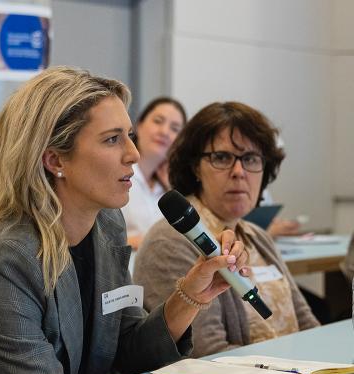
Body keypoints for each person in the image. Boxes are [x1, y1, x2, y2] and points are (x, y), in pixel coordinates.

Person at [0, 68, 248, 374]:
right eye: (112, 139)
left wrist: (191, 296)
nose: (134, 154)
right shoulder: (4, 261)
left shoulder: (106, 226)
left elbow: (129, 351)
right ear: (55, 159)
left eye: (129, 135)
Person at [134, 101, 319, 358]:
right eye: (222, 158)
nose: (239, 172)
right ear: (195, 167)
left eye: (251, 159)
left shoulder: (257, 236)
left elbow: (309, 327)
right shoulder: (170, 241)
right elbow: (209, 355)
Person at [121, 97, 186, 249]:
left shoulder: (168, 187)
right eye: (158, 121)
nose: (164, 132)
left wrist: (171, 188)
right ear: (139, 125)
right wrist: (142, 242)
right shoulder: (118, 173)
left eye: (174, 129)